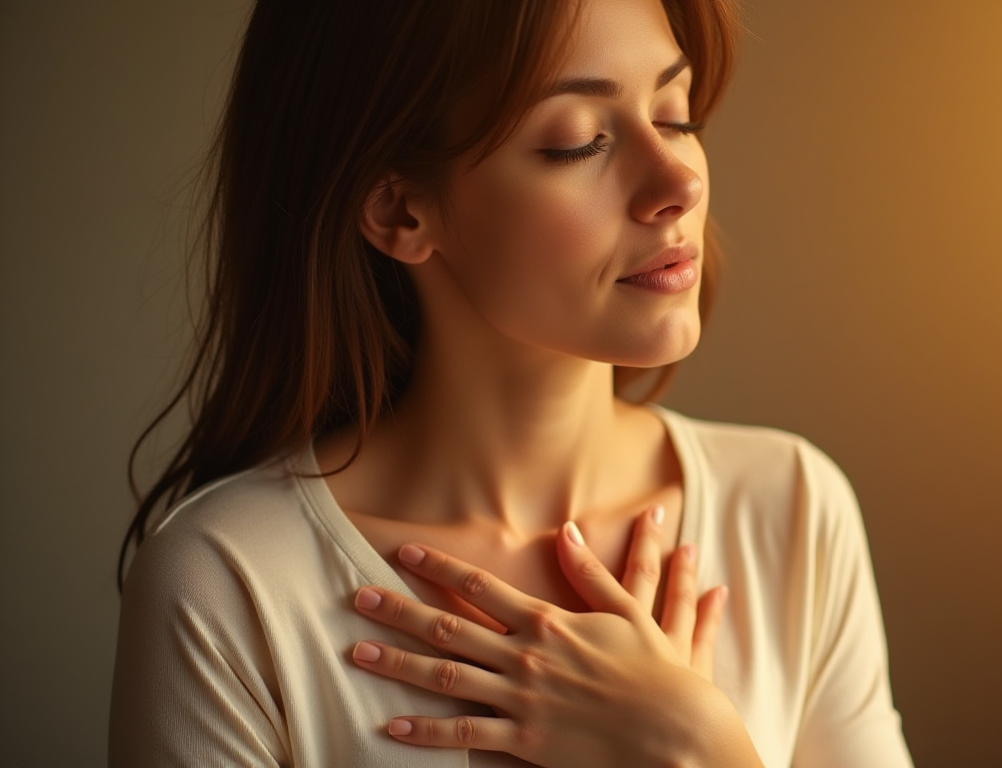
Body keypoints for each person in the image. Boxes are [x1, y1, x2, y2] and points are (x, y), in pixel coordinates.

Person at [109, 0, 916, 766]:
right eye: (577, 142)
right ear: (401, 210)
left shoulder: (793, 508)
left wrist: (700, 746)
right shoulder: (227, 583)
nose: (681, 183)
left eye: (676, 116)